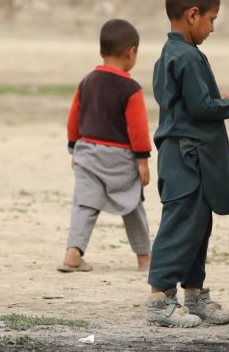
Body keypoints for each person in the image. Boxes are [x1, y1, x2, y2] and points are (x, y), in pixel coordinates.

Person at [144, 0, 229, 328]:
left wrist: (222, 101)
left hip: (191, 156)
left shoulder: (174, 54)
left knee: (199, 225)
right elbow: (200, 108)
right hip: (185, 158)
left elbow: (193, 103)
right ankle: (160, 300)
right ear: (193, 15)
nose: (212, 28)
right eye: (211, 20)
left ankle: (194, 295)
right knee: (180, 225)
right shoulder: (187, 57)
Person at [59, 18, 152, 273]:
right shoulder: (131, 88)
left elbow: (73, 119)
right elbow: (138, 129)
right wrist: (142, 160)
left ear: (102, 50)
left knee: (84, 204)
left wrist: (73, 149)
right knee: (132, 204)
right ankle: (144, 258)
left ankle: (73, 253)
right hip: (120, 158)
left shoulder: (86, 81)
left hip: (87, 152)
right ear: (131, 52)